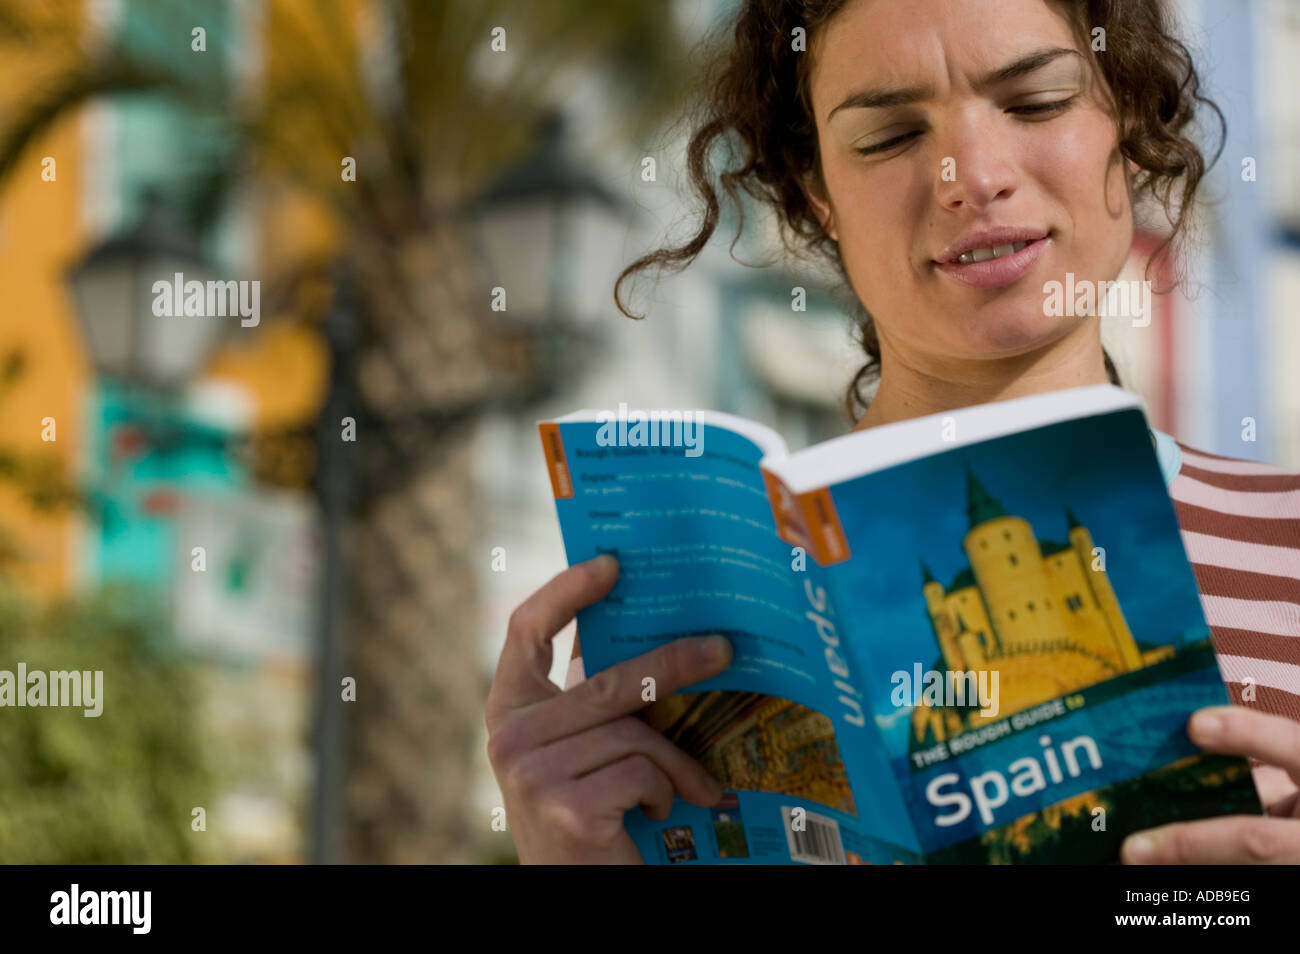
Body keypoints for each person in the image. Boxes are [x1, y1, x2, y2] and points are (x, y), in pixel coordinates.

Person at [485, 0, 1300, 864]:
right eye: (889, 137)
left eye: (1036, 103)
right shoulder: (676, 630)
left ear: (1126, 123)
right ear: (815, 193)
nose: (972, 175)